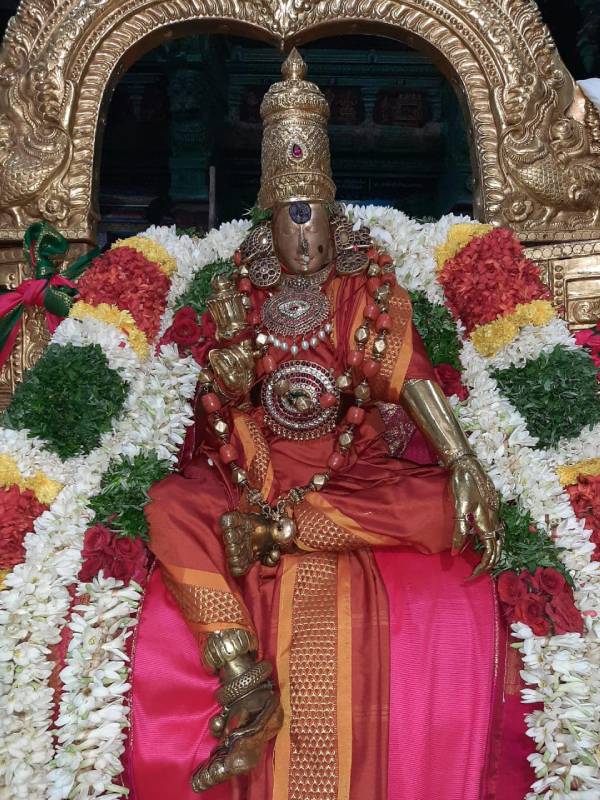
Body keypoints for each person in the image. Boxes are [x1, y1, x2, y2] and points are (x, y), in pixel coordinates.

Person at [144, 49, 504, 799]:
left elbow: (411, 383)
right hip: (256, 472)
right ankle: (246, 681)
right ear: (269, 221)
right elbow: (213, 413)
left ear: (335, 216)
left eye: (317, 218)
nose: (306, 238)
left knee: (443, 505)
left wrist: (464, 460)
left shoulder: (365, 287)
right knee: (169, 503)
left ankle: (287, 533)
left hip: (352, 479)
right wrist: (229, 384)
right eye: (292, 219)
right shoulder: (237, 291)